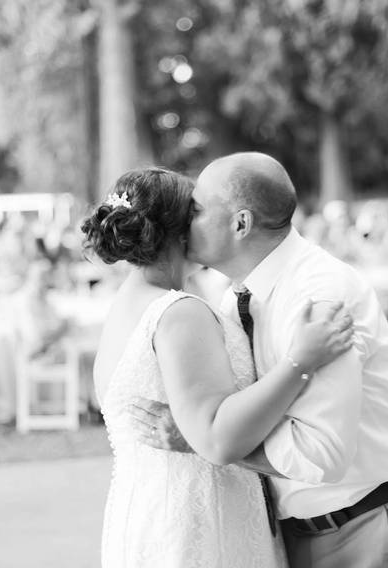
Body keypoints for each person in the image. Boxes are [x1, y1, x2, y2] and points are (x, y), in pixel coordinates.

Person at [131, 153, 388, 568]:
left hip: (367, 527)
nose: (184, 223)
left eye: (197, 210)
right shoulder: (237, 297)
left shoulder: (318, 297)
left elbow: (320, 455)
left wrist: (203, 440)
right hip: (301, 533)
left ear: (240, 223)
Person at [81, 167, 356, 568]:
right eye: (196, 210)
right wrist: (302, 360)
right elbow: (216, 437)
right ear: (178, 228)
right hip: (198, 522)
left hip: (144, 512)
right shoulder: (179, 313)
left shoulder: (127, 304)